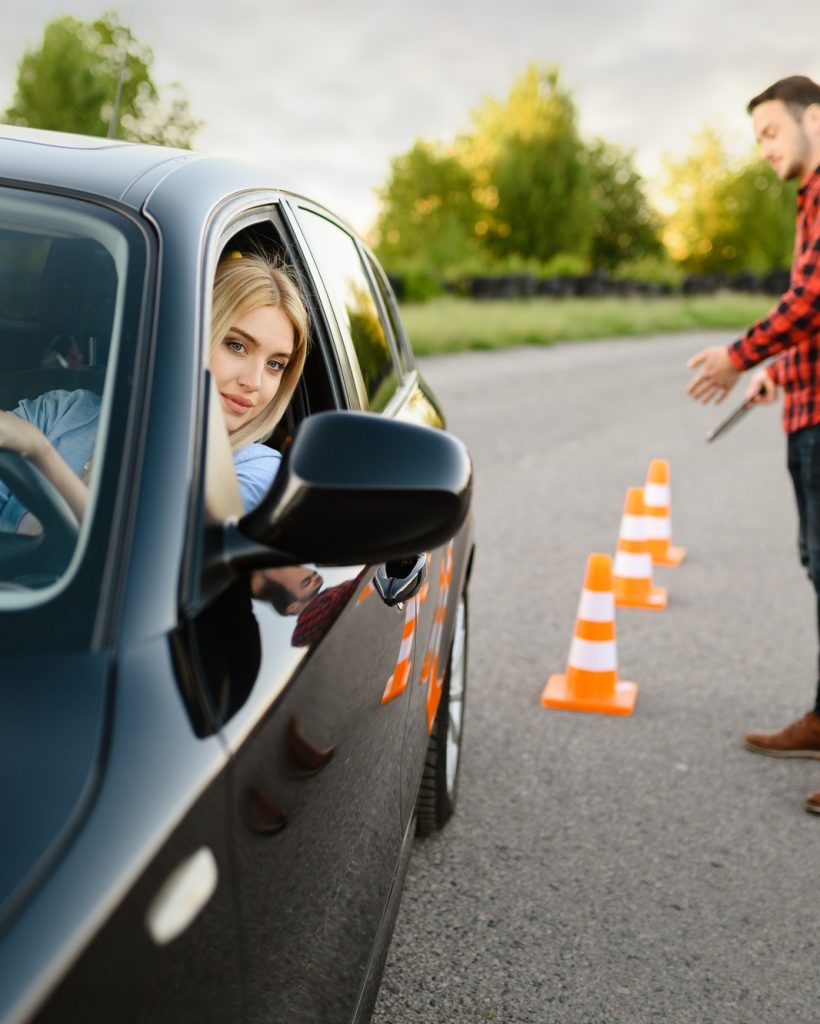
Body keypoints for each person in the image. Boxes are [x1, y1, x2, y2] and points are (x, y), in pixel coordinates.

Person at [686, 75, 820, 813]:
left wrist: (741, 355)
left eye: (771, 131)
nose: (764, 148)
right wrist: (782, 370)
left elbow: (813, 297)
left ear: (813, 118)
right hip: (807, 402)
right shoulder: (808, 201)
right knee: (818, 566)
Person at [0, 250, 309, 532]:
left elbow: (162, 557)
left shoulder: (260, 471)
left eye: (275, 365)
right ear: (188, 337)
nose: (254, 381)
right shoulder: (61, 412)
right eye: (237, 346)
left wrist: (39, 452)